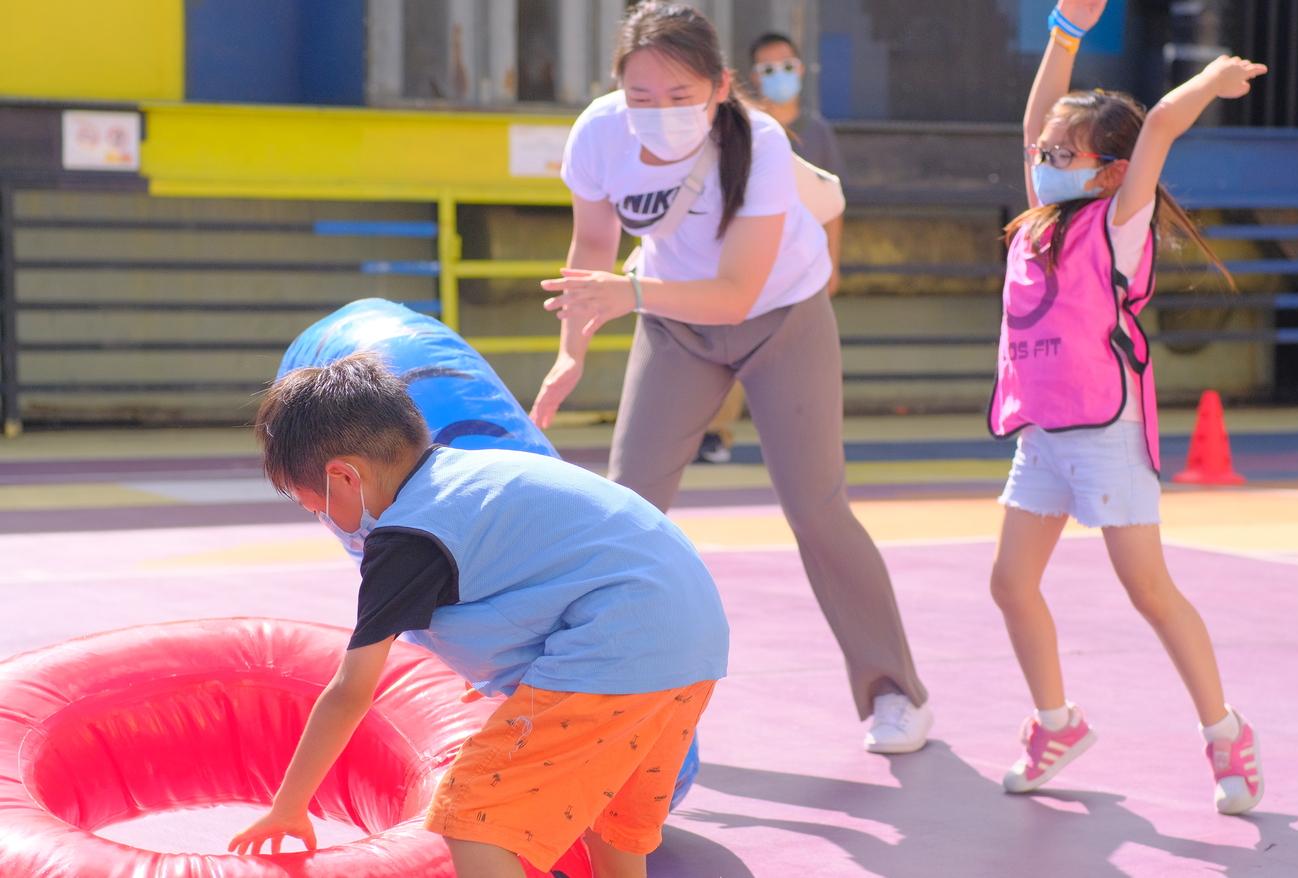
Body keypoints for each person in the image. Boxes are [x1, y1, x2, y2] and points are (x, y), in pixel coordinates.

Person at [531, 1, 932, 754]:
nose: (658, 112)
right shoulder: (598, 133)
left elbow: (738, 294)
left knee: (816, 508)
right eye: (641, 96)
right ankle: (597, 688)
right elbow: (592, 247)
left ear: (719, 87)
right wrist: (571, 352)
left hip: (781, 318)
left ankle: (894, 690)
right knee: (628, 507)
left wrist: (630, 295)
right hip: (672, 323)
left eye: (679, 95)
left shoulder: (762, 142)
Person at [228, 353, 729, 878]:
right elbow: (549, 572)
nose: (322, 519)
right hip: (694, 639)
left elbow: (350, 691)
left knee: (471, 816)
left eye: (313, 506)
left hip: (617, 645)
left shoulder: (408, 537)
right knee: (612, 819)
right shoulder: (467, 477)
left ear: (344, 476)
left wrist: (289, 807)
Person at [986, 0, 1268, 814]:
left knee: (1148, 589)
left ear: (1109, 171)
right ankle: (1058, 724)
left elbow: (1161, 127)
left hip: (1105, 432)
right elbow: (1036, 119)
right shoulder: (1037, 223)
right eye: (1042, 153)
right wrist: (1064, 32)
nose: (1043, 159)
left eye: (1061, 153)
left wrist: (1209, 81)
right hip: (1043, 433)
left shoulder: (1116, 226)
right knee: (1010, 583)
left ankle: (1226, 734)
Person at [695, 31, 848, 464]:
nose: (779, 75)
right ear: (754, 76)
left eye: (787, 66)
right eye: (768, 69)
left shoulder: (817, 131)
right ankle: (715, 433)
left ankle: (803, 444)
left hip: (803, 263)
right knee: (732, 347)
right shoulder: (745, 126)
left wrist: (833, 263)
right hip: (749, 258)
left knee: (801, 358)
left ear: (801, 69)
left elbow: (833, 204)